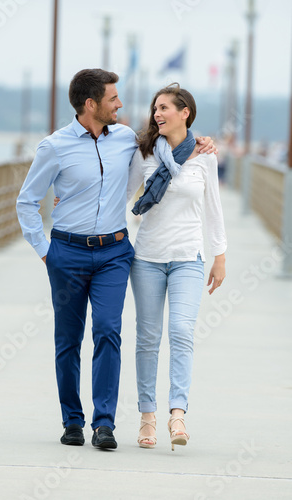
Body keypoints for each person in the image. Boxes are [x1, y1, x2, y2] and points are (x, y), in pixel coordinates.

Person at [16, 68, 216, 450]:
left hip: (113, 252)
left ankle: (103, 423)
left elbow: (167, 144)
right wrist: (45, 251)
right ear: (91, 104)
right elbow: (26, 201)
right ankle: (72, 420)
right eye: (113, 99)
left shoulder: (126, 138)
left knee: (109, 330)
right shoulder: (54, 147)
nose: (121, 105)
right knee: (68, 340)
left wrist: (201, 142)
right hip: (67, 252)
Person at [127, 83, 227, 451]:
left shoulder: (204, 155)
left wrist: (220, 255)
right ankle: (148, 417)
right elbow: (120, 195)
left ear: (185, 112)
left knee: (182, 331)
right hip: (148, 258)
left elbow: (214, 208)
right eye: (155, 108)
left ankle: (177, 413)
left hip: (188, 257)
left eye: (165, 107)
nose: (157, 113)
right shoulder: (145, 153)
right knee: (148, 338)